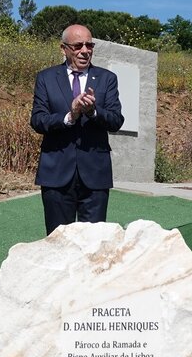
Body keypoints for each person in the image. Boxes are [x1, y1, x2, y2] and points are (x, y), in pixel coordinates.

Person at [30, 24, 124, 235]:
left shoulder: (107, 79)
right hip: (56, 174)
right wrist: (69, 116)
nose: (85, 51)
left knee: (93, 242)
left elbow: (116, 120)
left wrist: (93, 112)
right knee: (58, 241)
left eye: (89, 45)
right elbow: (37, 120)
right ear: (63, 49)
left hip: (95, 175)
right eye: (78, 46)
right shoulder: (46, 78)